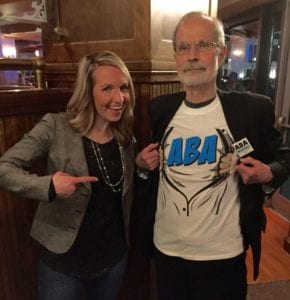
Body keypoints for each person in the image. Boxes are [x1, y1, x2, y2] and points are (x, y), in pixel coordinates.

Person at [135, 11, 290, 300]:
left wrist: (268, 173)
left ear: (221, 52)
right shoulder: (159, 109)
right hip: (168, 251)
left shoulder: (251, 110)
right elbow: (150, 165)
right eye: (184, 47)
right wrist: (141, 165)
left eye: (203, 45)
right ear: (176, 56)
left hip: (223, 255)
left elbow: (285, 156)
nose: (192, 55)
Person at [0, 50, 136, 300]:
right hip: (63, 264)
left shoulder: (125, 137)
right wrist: (49, 186)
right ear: (88, 92)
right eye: (107, 88)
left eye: (124, 88)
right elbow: (4, 168)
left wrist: (142, 167)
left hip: (112, 260)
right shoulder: (56, 126)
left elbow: (120, 186)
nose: (119, 98)